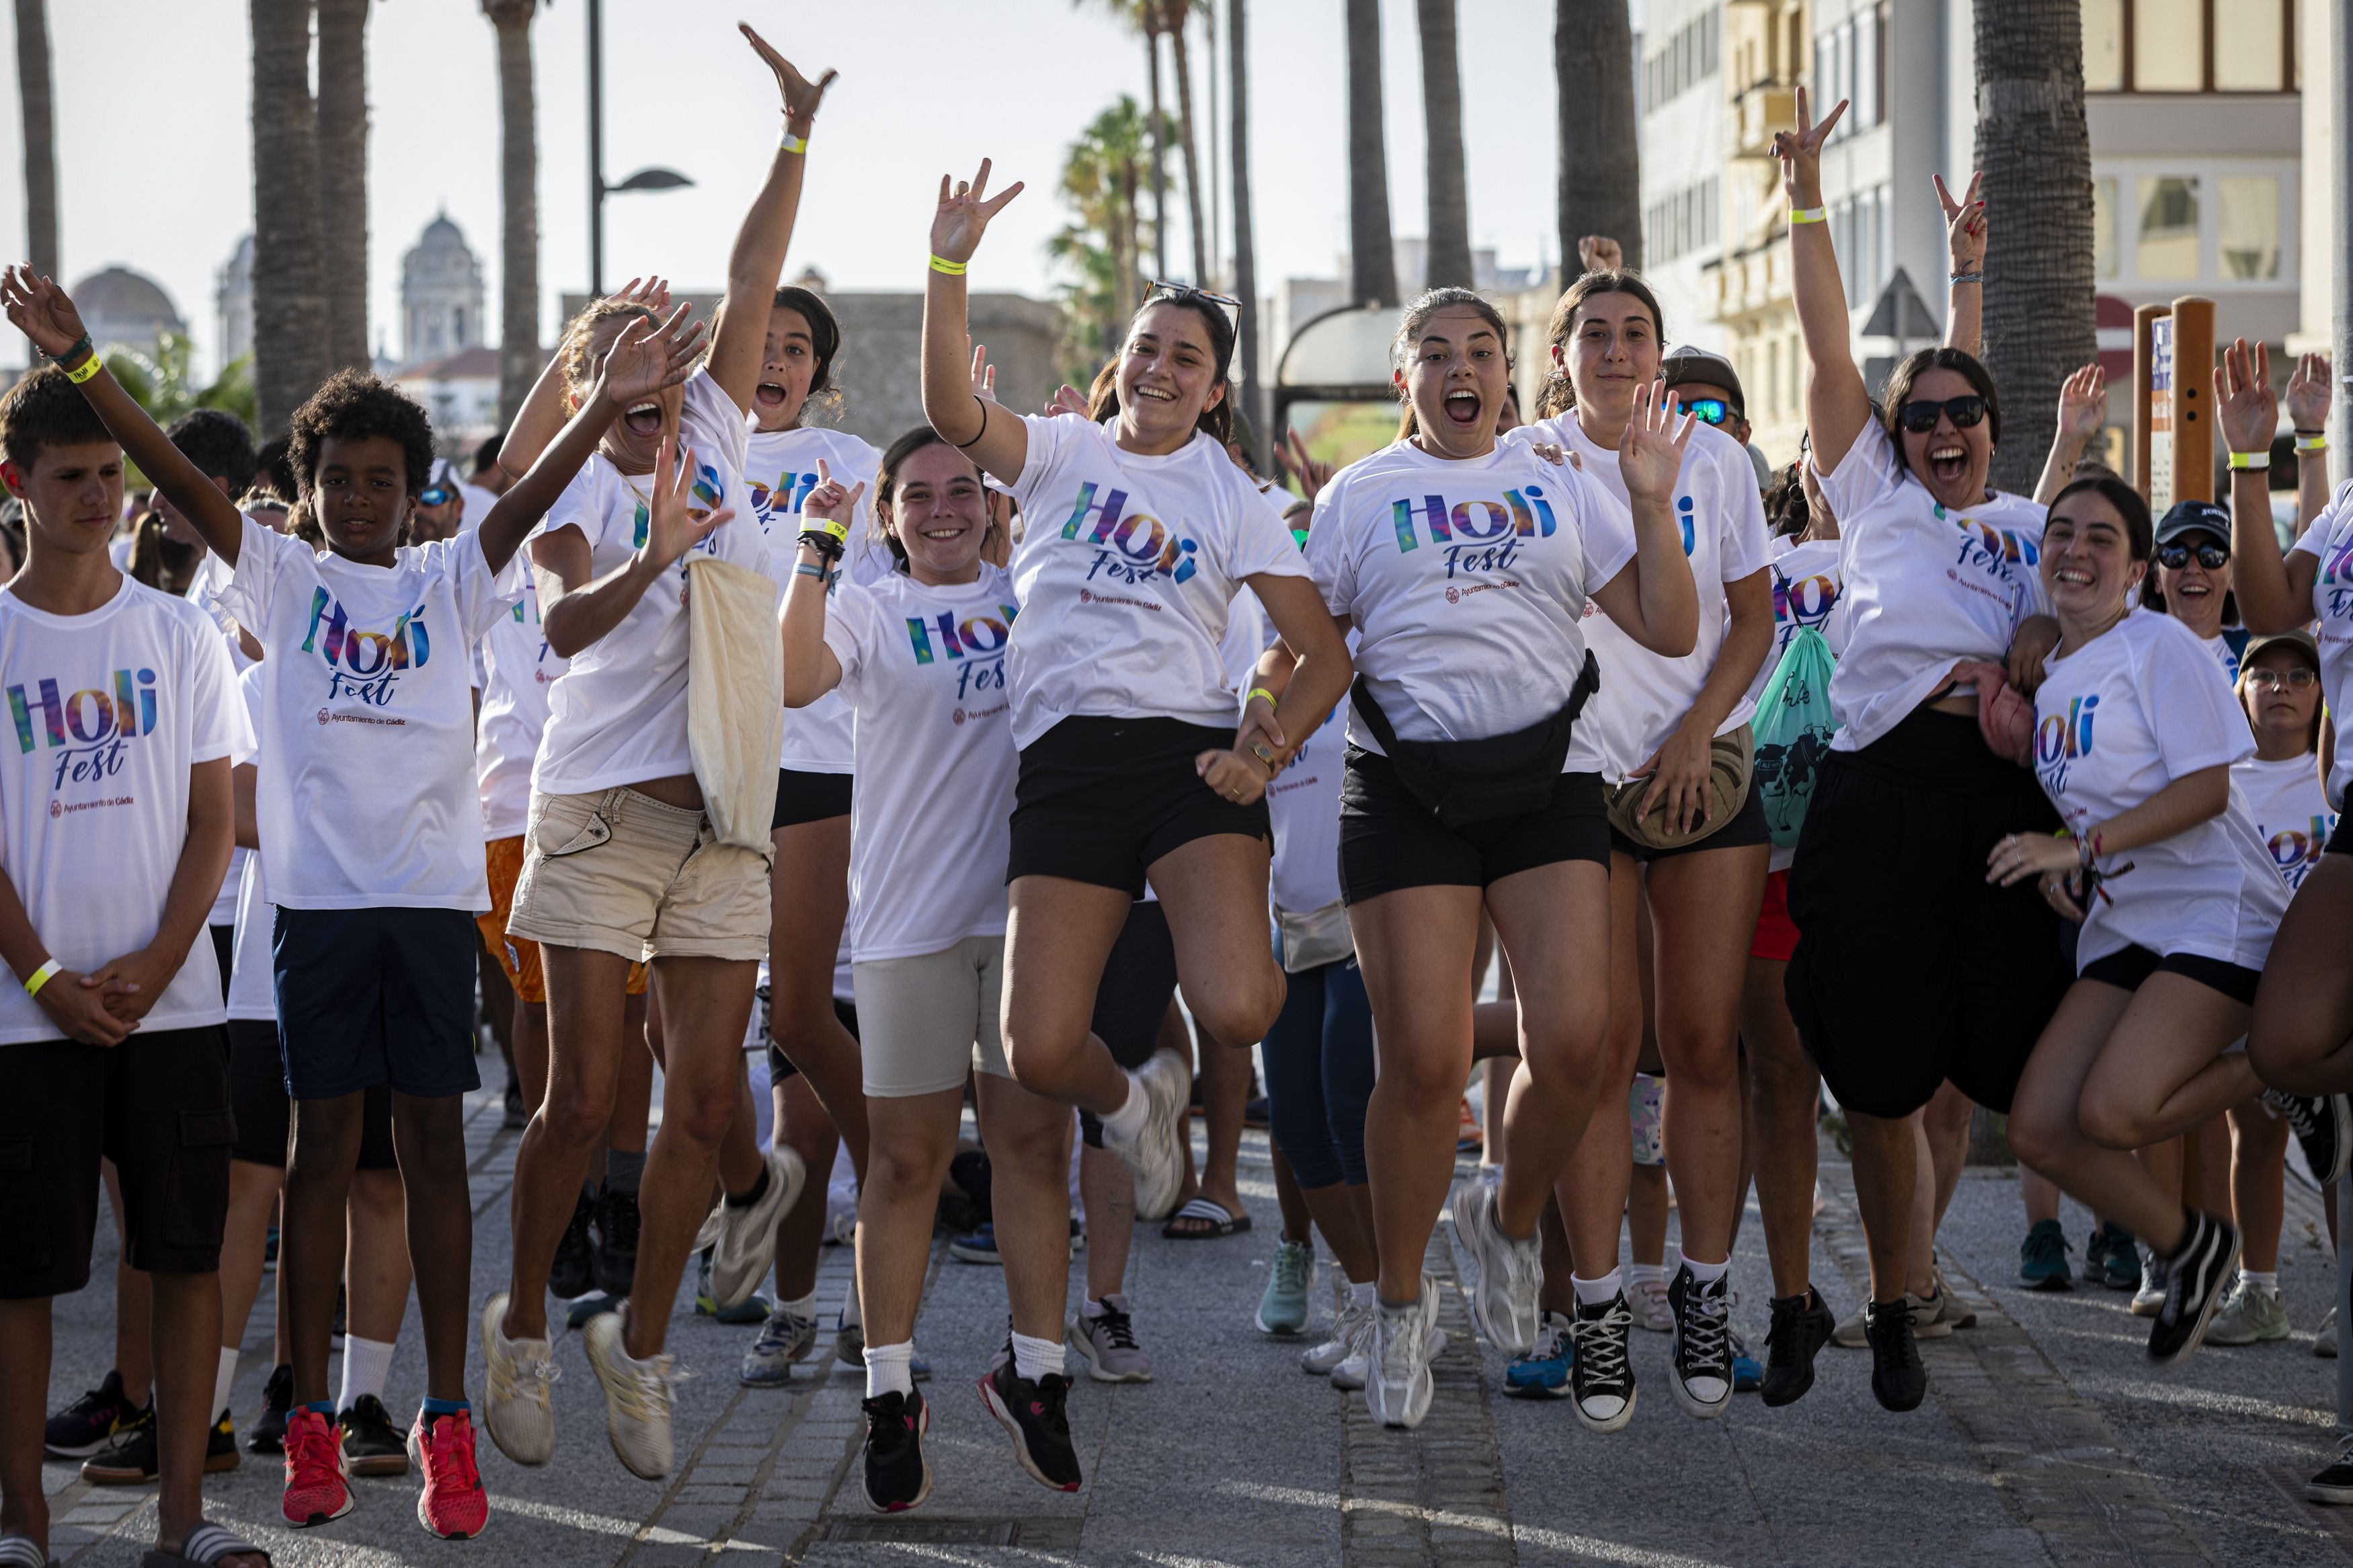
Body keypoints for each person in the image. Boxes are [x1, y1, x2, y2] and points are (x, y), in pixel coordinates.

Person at [6, 260, 701, 1537]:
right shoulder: (277, 577)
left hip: (430, 912)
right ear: (313, 490)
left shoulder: (451, 577)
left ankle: (443, 1418)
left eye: (385, 479)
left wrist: (607, 405)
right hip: (315, 919)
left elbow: (527, 493)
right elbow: (175, 473)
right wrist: (84, 359)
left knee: (433, 1152)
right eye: (340, 479)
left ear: (414, 490)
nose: (363, 498)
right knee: (319, 1157)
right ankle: (309, 1413)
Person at [483, 28, 835, 1483]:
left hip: (726, 815)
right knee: (582, 1099)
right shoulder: (575, 482)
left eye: (660, 360)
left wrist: (794, 136)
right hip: (596, 808)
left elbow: (757, 275)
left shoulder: (714, 426)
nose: (651, 384)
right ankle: (518, 1322)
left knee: (705, 1099)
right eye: (615, 370)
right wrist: (662, 556)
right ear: (580, 389)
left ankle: (637, 1344)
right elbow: (561, 621)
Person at [1267, 284, 1698, 1430]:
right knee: (1421, 1058)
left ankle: (1507, 1218)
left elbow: (1669, 626)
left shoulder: (1560, 481)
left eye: (1483, 353)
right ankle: (1403, 1310)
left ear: (1510, 374)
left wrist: (1651, 502)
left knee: (1577, 1040)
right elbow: (1308, 652)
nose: (1464, 371)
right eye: (1438, 354)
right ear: (1403, 378)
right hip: (1404, 790)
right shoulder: (1359, 496)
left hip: (1546, 782)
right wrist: (1259, 734)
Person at [915, 161, 1351, 1257]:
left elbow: (1324, 650)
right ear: (1121, 366)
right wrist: (949, 265)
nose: (1161, 368)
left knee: (1243, 1005)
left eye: (1187, 358)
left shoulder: (1234, 495)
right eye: (1148, 348)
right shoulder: (1063, 451)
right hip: (1066, 765)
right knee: (1040, 1044)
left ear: (1213, 390)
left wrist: (1264, 746)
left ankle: (1165, 1102)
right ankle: (1132, 1102)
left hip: (1189, 759)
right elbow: (949, 410)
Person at [1774, 91, 2069, 1413]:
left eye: (1965, 412)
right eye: (1920, 418)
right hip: (1879, 792)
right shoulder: (1875, 500)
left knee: (1996, 1054)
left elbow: (2080, 612)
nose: (1943, 428)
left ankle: (1934, 1267)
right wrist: (1805, 190)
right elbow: (1830, 340)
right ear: (1888, 444)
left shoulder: (2029, 517)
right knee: (1877, 1068)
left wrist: (1967, 274)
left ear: (1991, 428)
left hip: (1997, 795)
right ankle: (1890, 1302)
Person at [783, 429, 1084, 1509]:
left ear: (994, 506)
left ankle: (1038, 1375)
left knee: (1033, 1153)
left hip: (1025, 921)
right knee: (905, 1167)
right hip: (908, 927)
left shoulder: (1037, 596)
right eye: (919, 496)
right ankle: (889, 1394)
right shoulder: (868, 604)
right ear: (887, 516)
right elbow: (787, 675)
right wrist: (816, 546)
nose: (944, 509)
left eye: (964, 490)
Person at [0, 361, 259, 1568]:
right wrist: (47, 977)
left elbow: (216, 819)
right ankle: (23, 1521)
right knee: (25, 1274)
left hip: (173, 1006)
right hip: (23, 1013)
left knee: (183, 1253)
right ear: (18, 485)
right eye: (74, 478)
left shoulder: (179, 631)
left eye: (114, 476)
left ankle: (184, 1521)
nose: (102, 498)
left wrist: (159, 964)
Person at [1509, 265, 1773, 1428]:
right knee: (1598, 1053)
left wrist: (1695, 734)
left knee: (1704, 1042)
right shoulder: (1526, 461)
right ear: (1562, 352)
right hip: (1576, 777)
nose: (1618, 350)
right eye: (1597, 334)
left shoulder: (1716, 459)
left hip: (1703, 771)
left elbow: (1755, 616)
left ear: (1661, 351)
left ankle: (1707, 1292)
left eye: (1637, 333)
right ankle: (1601, 1306)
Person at [1997, 474, 2290, 1366]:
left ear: (2134, 571)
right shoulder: (2050, 676)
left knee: (2119, 1113)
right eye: (2060, 534)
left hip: (2215, 913)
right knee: (2039, 1128)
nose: (2076, 551)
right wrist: (2069, 850)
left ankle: (2284, 1068)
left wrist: (2077, 851)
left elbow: (2205, 791)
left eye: (2101, 539)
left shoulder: (2161, 645)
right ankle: (2192, 1247)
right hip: (2124, 923)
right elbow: (2098, 792)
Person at [737, 274, 879, 1381]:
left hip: (820, 768)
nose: (777, 361)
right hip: (689, 774)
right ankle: (776, 1261)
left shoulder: (857, 467)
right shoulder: (682, 452)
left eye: (798, 347)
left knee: (797, 1021)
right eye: (763, 341)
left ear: (819, 370)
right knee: (687, 1053)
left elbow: (888, 611)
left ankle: (900, 1183)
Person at [468, 471, 653, 1319]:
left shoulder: (635, 516)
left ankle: (622, 1193)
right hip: (516, 803)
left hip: (623, 788)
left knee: (628, 1007)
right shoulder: (500, 542)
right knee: (540, 1006)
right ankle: (569, 1197)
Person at [2210, 631, 2340, 1346]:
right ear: (2241, 688)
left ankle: (2344, 1300)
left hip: (2324, 990)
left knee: (2334, 1148)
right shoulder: (2220, 779)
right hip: (2245, 979)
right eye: (2264, 675)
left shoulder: (2335, 775)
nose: (2282, 687)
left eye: (2298, 675)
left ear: (2321, 691)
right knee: (2252, 1138)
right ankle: (2256, 1292)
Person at [2143, 500, 2247, 683]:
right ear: (2157, 579)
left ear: (2233, 577)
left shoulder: (2256, 656)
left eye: (2211, 555)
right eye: (2176, 555)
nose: (2193, 569)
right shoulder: (2130, 655)